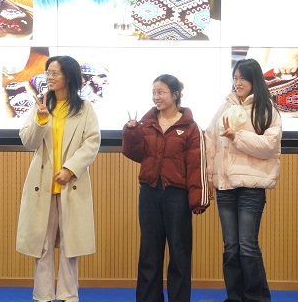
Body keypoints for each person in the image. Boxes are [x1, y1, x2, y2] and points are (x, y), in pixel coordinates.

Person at [16, 55, 101, 302]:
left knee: (70, 245)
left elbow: (92, 142)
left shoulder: (85, 108)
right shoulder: (41, 105)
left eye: (55, 73)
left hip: (70, 184)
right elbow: (28, 141)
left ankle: (68, 295)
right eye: (48, 73)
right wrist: (41, 119)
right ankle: (42, 295)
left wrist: (70, 169)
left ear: (69, 77)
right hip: (41, 185)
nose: (49, 78)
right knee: (41, 244)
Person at [122, 74, 209, 302]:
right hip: (149, 193)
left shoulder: (190, 127)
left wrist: (198, 199)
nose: (156, 97)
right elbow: (135, 153)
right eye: (154, 93)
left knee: (179, 253)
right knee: (149, 252)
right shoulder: (146, 124)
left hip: (177, 196)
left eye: (161, 92)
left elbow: (196, 165)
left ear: (175, 94)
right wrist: (131, 132)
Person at [205, 58, 282, 302]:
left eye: (242, 78)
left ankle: (256, 298)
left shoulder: (267, 108)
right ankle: (235, 297)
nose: (237, 82)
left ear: (254, 80)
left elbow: (269, 146)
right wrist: (210, 177)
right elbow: (210, 141)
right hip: (225, 187)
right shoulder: (224, 107)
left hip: (251, 187)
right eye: (235, 77)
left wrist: (237, 136)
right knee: (231, 247)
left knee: (247, 245)